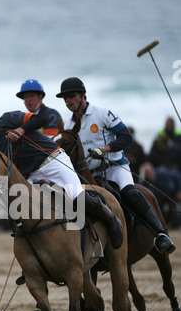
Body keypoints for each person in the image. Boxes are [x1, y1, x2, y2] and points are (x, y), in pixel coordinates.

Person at [0, 109, 124, 284]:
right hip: (30, 175)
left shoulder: (7, 120)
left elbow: (40, 119)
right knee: (17, 210)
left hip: (52, 161)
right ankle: (32, 263)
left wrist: (20, 130)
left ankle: (111, 219)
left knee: (76, 197)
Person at [56, 76, 175, 255]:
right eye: (65, 98)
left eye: (71, 96)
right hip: (87, 174)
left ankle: (160, 234)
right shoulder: (69, 125)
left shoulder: (102, 114)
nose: (68, 101)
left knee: (130, 192)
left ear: (82, 95)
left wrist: (106, 148)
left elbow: (126, 136)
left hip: (114, 168)